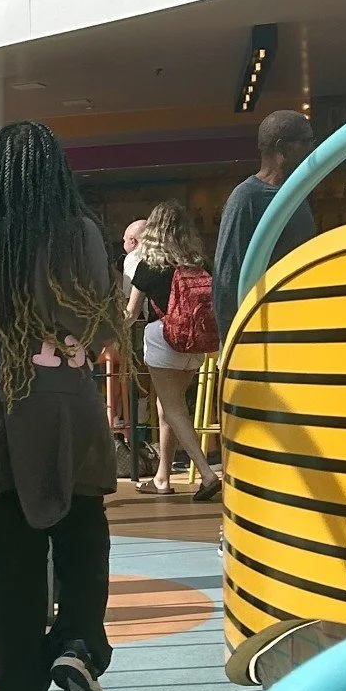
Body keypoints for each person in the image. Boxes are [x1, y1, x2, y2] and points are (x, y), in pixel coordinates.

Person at [0, 122, 122, 691]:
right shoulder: (86, 237)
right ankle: (76, 643)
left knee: (10, 555)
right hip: (71, 403)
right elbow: (102, 326)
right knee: (81, 534)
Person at [125, 201, 222, 501]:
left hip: (164, 339)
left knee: (174, 409)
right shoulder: (199, 263)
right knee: (169, 408)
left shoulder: (149, 266)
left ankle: (207, 474)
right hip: (195, 345)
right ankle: (162, 477)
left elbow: (131, 312)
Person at [213, 109, 316, 339]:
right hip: (266, 334)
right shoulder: (247, 198)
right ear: (282, 148)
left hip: (298, 327)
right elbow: (226, 280)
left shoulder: (296, 195)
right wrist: (234, 346)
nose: (313, 149)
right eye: (306, 141)